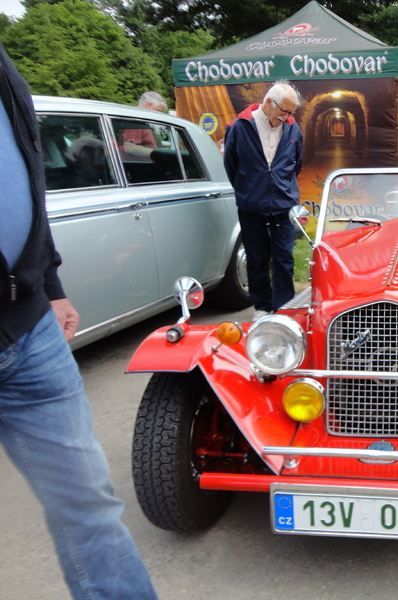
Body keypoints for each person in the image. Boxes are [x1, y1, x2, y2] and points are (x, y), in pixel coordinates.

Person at [0, 42, 158, 599]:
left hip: (28, 322)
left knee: (87, 500)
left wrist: (49, 286)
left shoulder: (3, 64)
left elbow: (25, 180)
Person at [224, 80, 303, 321]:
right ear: (269, 102)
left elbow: (296, 165)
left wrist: (281, 186)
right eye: (285, 110)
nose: (287, 116)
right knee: (256, 258)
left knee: (284, 258)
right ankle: (262, 307)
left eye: (291, 112)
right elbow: (231, 165)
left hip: (283, 204)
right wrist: (249, 188)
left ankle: (283, 308)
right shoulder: (240, 127)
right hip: (252, 204)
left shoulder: (292, 129)